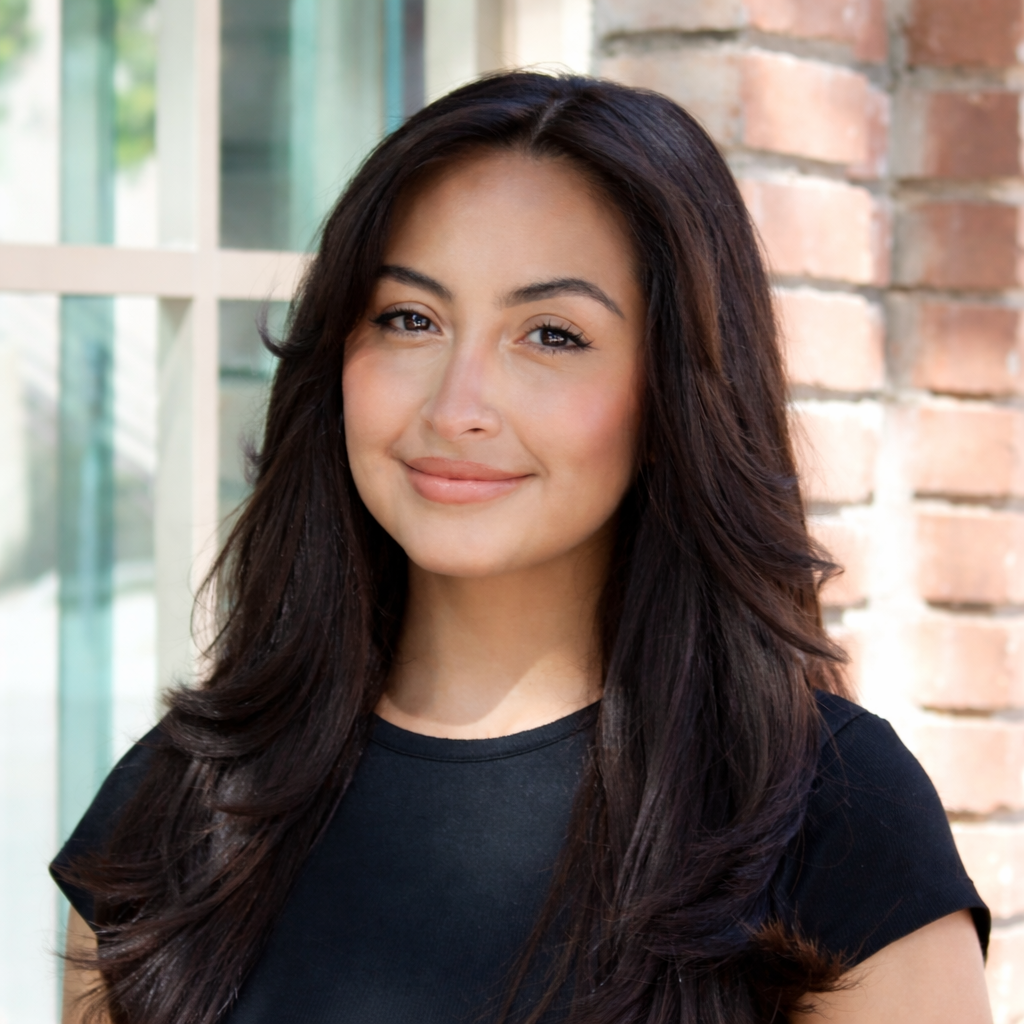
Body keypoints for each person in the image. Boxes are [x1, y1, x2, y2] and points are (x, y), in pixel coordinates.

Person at [53, 71, 992, 1024]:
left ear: (674, 395)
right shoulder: (176, 810)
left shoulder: (831, 819)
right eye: (409, 319)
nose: (457, 407)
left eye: (551, 334)